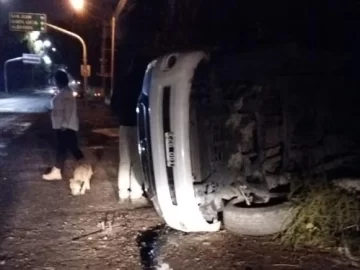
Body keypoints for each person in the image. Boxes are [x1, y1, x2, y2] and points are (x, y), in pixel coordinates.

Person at [112, 55, 148, 201]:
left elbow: (113, 105)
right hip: (138, 125)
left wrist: (121, 114)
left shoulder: (121, 82)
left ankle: (122, 193)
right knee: (137, 160)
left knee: (125, 160)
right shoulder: (142, 85)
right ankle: (136, 192)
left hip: (124, 125)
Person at [42, 69, 84, 181]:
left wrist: (64, 125)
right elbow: (60, 108)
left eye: (55, 80)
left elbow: (68, 111)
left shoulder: (66, 93)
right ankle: (84, 168)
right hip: (64, 126)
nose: (54, 82)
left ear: (58, 81)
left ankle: (57, 171)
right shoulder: (64, 92)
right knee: (71, 148)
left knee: (63, 148)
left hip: (65, 127)